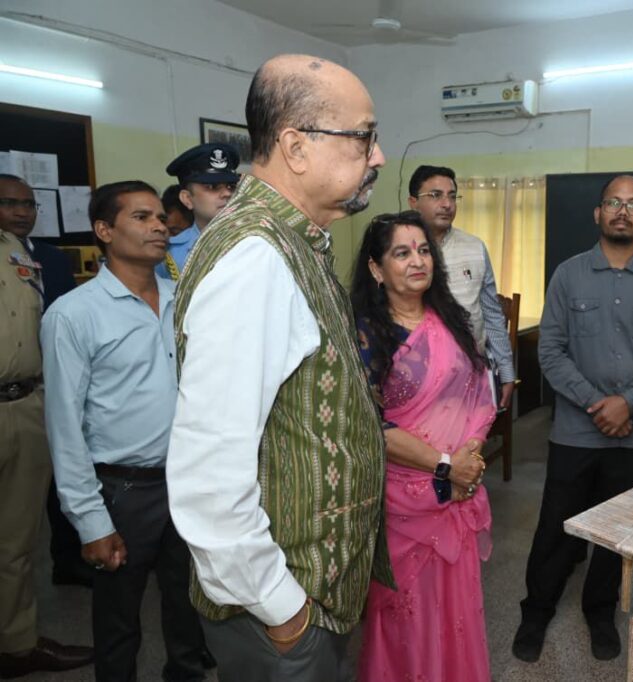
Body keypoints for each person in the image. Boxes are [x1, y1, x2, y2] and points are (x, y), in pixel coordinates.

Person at [166, 54, 391, 682]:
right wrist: (283, 610)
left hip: (307, 599)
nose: (376, 155)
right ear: (295, 146)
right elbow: (209, 476)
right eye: (363, 137)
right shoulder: (256, 256)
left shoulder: (293, 240)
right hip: (281, 617)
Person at [41, 181, 206, 681]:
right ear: (104, 230)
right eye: (141, 217)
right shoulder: (74, 314)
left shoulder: (185, 300)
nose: (159, 226)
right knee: (118, 625)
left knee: (191, 613)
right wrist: (91, 521)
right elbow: (64, 427)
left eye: (160, 216)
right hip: (123, 490)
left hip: (189, 481)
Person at [513, 176, 633, 663]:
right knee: (555, 528)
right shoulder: (568, 275)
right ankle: (536, 611)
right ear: (598, 213)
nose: (623, 211)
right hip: (576, 432)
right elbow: (551, 351)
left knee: (616, 531)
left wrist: (629, 402)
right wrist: (599, 405)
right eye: (613, 203)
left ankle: (600, 611)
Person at [351, 210, 494, 681]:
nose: (418, 260)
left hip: (459, 486)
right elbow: (369, 424)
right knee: (406, 616)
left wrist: (469, 456)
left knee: (456, 607)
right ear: (377, 268)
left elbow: (479, 395)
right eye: (402, 252)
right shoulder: (368, 334)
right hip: (403, 500)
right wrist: (446, 465)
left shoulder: (450, 320)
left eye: (424, 250)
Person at [0, 180, 92, 678]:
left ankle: (17, 644)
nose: (21, 212)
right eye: (8, 203)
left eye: (27, 204)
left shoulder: (29, 258)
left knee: (16, 541)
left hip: (24, 404)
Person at [407, 165, 516, 409]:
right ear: (413, 202)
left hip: (469, 376)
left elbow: (491, 314)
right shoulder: (397, 249)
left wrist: (506, 371)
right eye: (435, 195)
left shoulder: (474, 247)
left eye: (452, 196)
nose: (447, 204)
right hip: (414, 380)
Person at [155, 143, 240, 280]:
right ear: (187, 199)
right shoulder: (169, 253)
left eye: (231, 186)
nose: (227, 193)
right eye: (213, 187)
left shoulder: (256, 241)